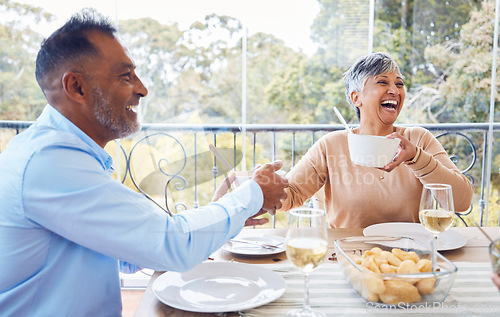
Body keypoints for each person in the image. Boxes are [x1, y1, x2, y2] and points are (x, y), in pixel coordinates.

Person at [0, 11, 288, 317]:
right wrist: (252, 194)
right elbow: (169, 245)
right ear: (76, 87)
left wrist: (225, 214)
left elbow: (133, 247)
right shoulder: (49, 163)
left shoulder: (53, 153)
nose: (142, 89)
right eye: (125, 76)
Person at [280, 52, 474, 228]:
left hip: (408, 258)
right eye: (383, 82)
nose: (395, 91)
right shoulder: (330, 146)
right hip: (348, 257)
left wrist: (416, 158)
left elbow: (462, 202)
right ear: (356, 98)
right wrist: (262, 185)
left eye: (399, 84)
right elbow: (291, 196)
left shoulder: (418, 139)